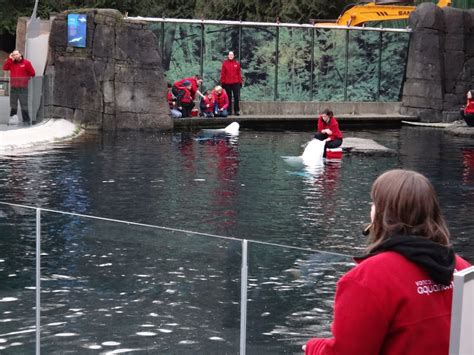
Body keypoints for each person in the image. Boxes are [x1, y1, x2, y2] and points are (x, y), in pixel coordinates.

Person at [304, 169, 471, 355]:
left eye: (374, 203)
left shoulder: (364, 280)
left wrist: (313, 347)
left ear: (382, 215)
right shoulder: (463, 268)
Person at [2, 50, 36, 125]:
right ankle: (12, 119)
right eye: (14, 55)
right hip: (14, 87)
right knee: (13, 104)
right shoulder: (11, 63)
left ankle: (26, 120)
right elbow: (5, 68)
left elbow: (33, 73)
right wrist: (10, 59)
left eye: (17, 54)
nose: (15, 56)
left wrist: (26, 78)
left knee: (24, 104)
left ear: (20, 54)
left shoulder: (26, 63)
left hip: (23, 88)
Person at [220, 51, 243, 116]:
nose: (231, 56)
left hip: (236, 82)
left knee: (236, 97)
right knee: (228, 97)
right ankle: (229, 111)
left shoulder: (236, 63)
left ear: (233, 56)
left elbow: (239, 74)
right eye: (230, 55)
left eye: (232, 55)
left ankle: (237, 110)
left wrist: (240, 82)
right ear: (228, 56)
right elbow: (223, 74)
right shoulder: (225, 63)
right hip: (227, 83)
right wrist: (222, 82)